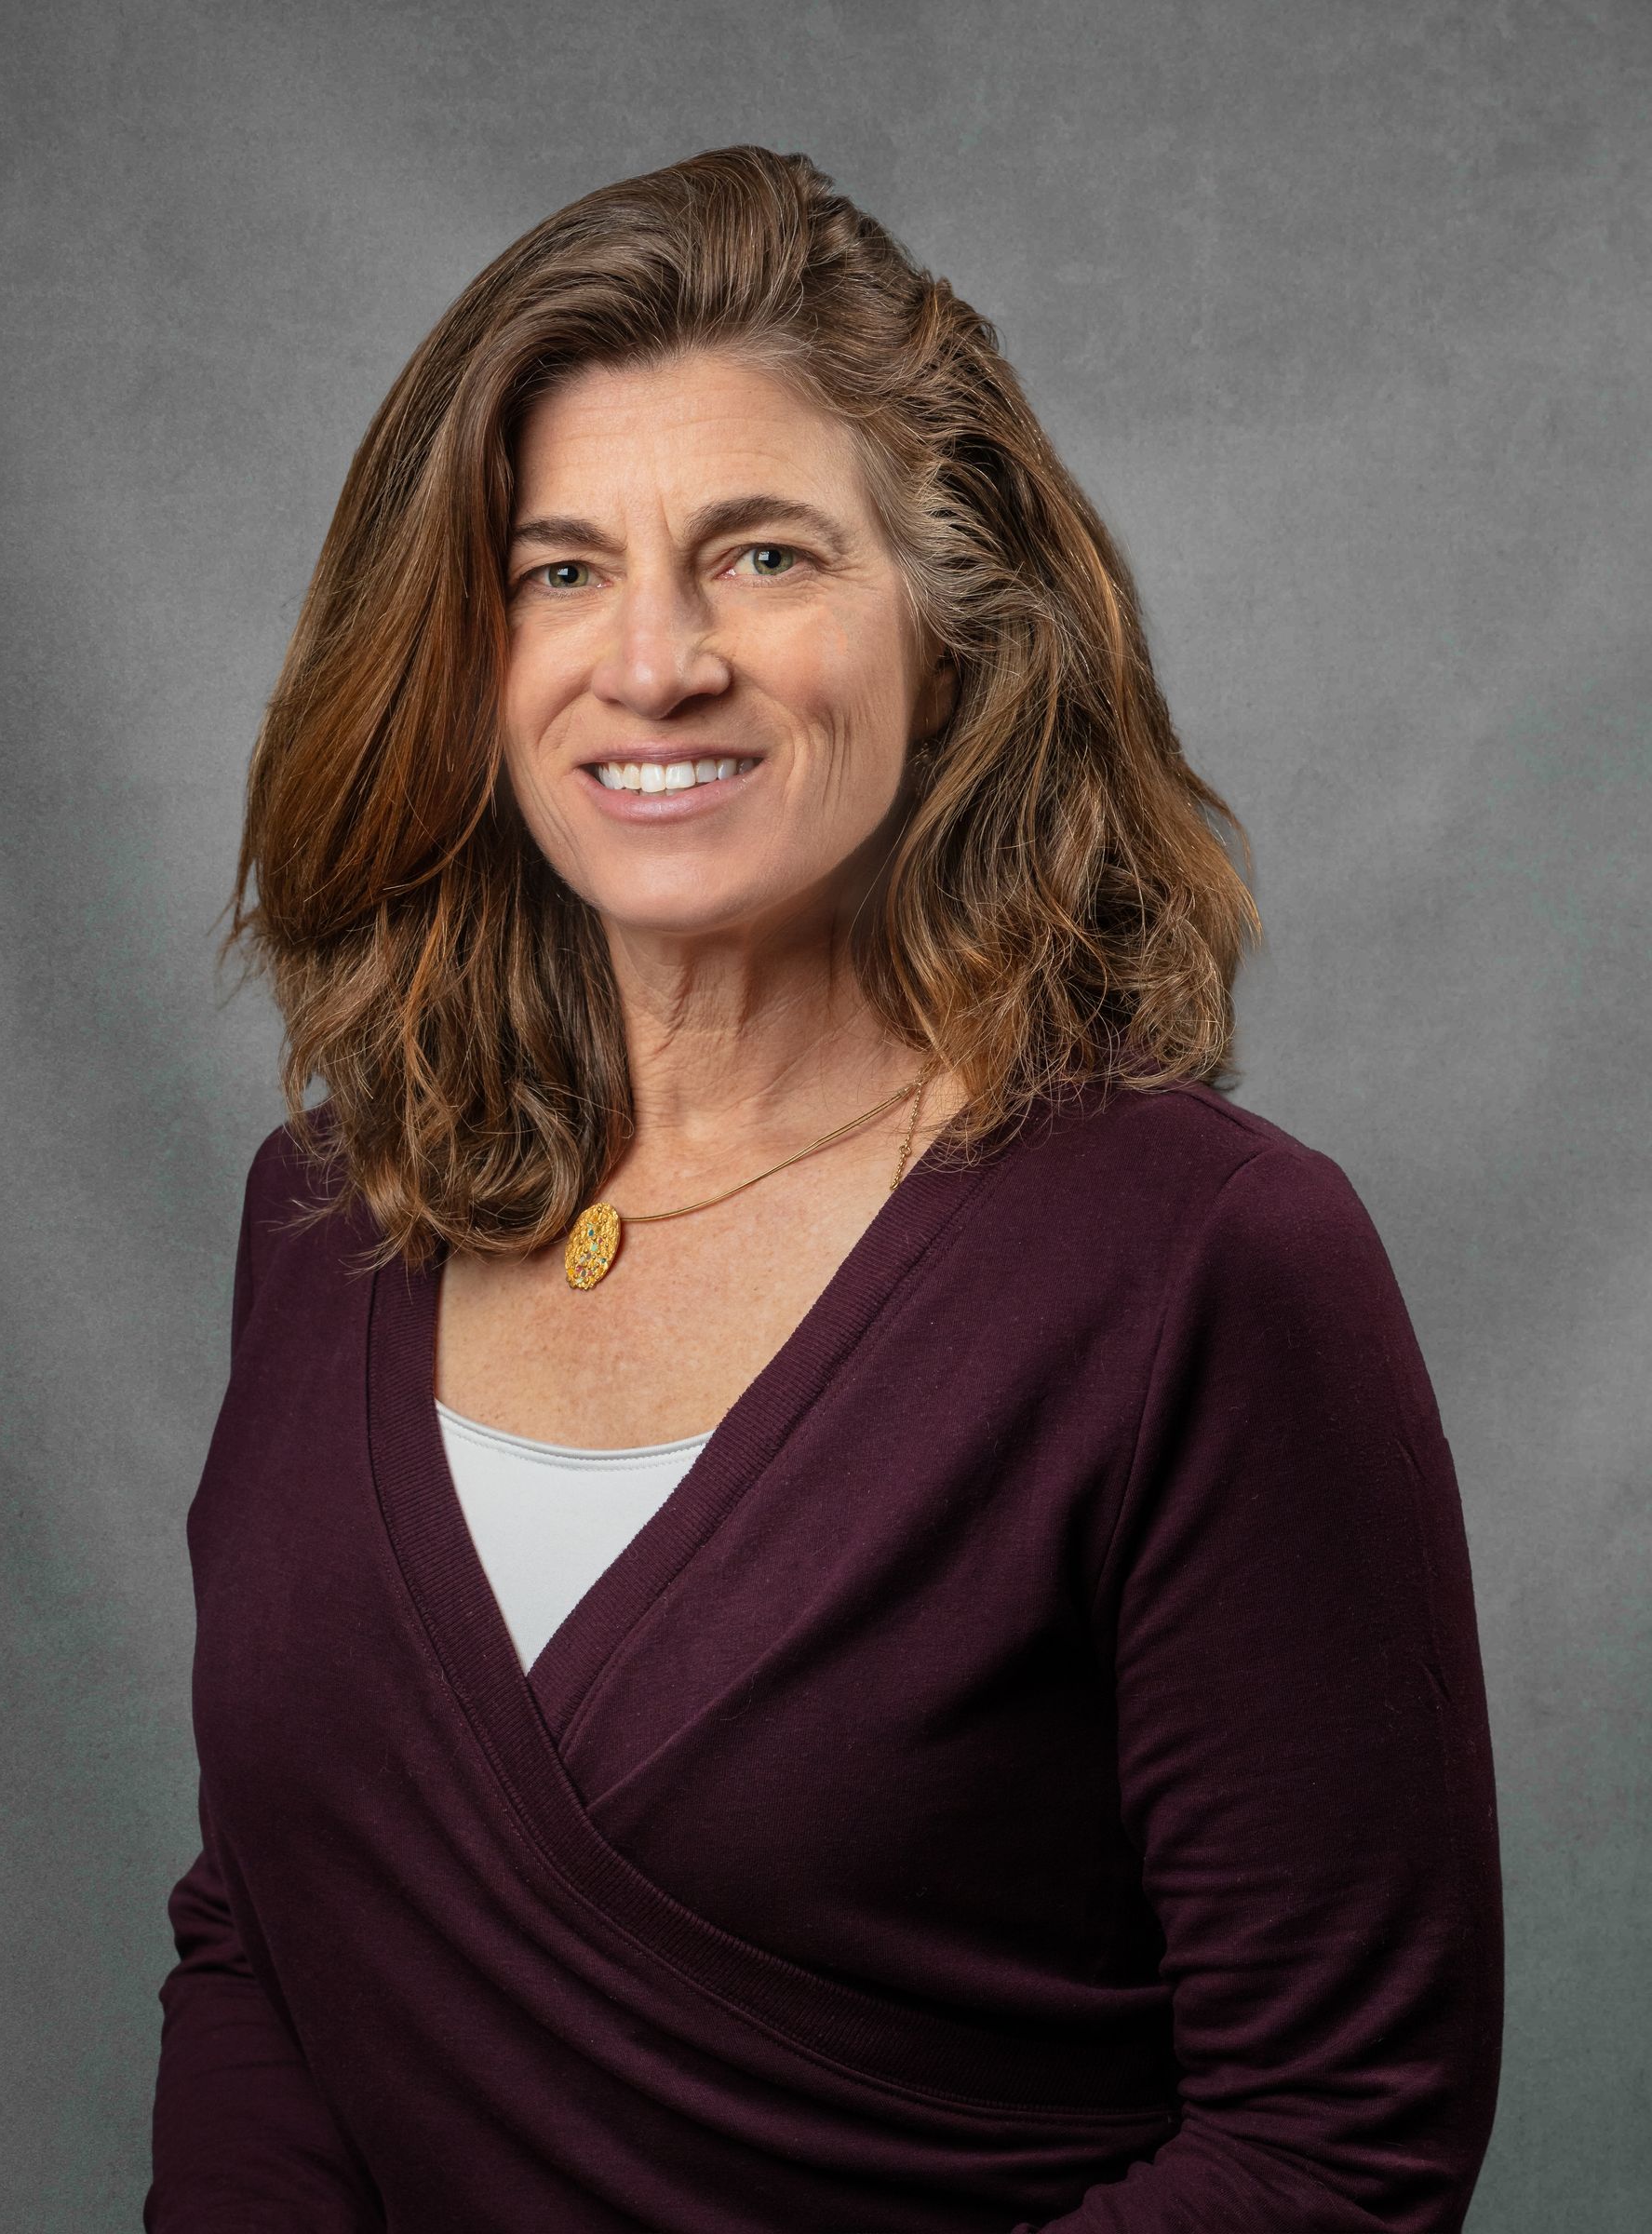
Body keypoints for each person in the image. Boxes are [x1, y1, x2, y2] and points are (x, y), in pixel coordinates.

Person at [143, 146, 1503, 2232]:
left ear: (960, 632)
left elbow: (1335, 2147)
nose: (657, 661)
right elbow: (272, 1940)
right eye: (559, 570)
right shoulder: (333, 1218)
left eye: (765, 557)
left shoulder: (1204, 1265)